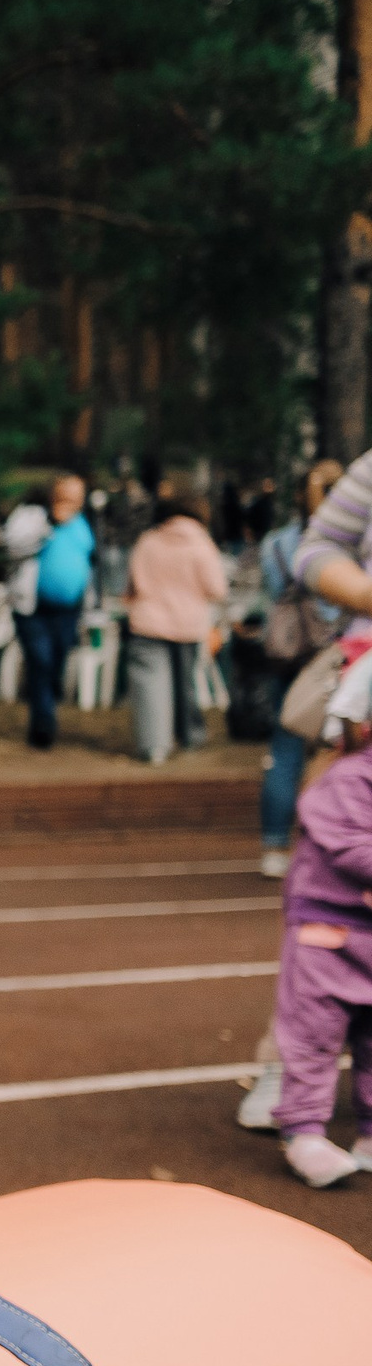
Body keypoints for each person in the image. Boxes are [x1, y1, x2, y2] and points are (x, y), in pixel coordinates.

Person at [265, 650, 372, 1187]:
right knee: (314, 1035)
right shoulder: (348, 780)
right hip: (328, 934)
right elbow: (352, 847)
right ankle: (304, 1129)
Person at [260, 460, 348, 878]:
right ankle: (327, 847)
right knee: (342, 753)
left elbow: (271, 590)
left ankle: (276, 846)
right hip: (338, 657)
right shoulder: (347, 547)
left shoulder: (277, 543)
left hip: (288, 653)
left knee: (285, 748)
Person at [124, 492, 227, 764]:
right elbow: (216, 589)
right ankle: (189, 736)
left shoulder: (147, 541)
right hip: (188, 625)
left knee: (150, 686)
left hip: (147, 623)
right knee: (186, 685)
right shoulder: (202, 544)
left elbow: (133, 582)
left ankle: (154, 746)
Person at [9, 472, 97, 750]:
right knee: (41, 660)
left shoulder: (87, 524)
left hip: (68, 609)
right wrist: (49, 525)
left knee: (56, 661)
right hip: (32, 607)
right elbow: (13, 547)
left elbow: (91, 563)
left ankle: (46, 706)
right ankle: (43, 727)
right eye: (65, 495)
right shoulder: (31, 517)